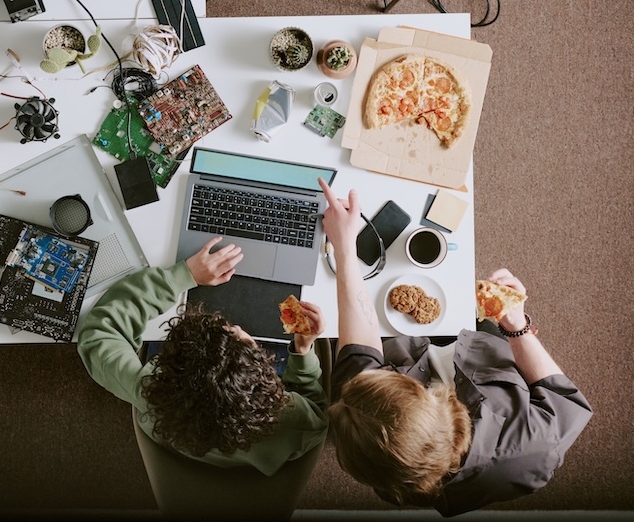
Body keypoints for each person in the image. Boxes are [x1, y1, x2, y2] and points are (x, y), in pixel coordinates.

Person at [317, 177, 593, 516]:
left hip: (411, 354)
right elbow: (563, 398)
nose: (362, 375)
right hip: (478, 351)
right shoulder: (541, 442)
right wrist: (517, 327)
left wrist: (344, 247)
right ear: (439, 400)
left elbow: (360, 354)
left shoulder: (371, 442)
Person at [77, 237, 328, 475]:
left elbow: (98, 334)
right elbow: (315, 407)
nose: (238, 328)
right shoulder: (294, 422)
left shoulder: (152, 392)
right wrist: (302, 351)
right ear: (262, 376)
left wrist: (181, 277)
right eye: (243, 340)